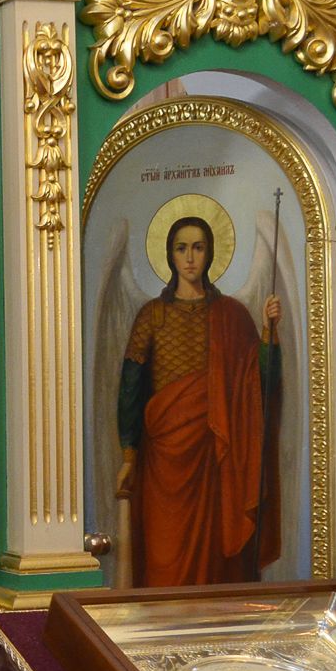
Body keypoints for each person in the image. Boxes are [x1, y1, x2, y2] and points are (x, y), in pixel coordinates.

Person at [115, 215, 281, 585]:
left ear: (210, 253)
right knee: (163, 558)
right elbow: (130, 387)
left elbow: (258, 386)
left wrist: (268, 334)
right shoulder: (152, 316)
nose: (190, 257)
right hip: (163, 461)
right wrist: (128, 454)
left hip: (216, 457)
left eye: (198, 247)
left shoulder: (233, 315)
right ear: (170, 254)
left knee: (216, 562)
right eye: (181, 248)